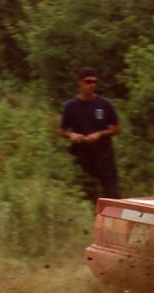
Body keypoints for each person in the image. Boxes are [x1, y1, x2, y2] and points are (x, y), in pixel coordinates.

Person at [60, 67, 122, 201]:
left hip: (103, 154)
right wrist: (72, 135)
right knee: (84, 193)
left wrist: (100, 134)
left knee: (111, 192)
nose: (92, 85)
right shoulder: (70, 106)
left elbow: (117, 128)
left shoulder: (104, 104)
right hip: (81, 155)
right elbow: (63, 130)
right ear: (80, 83)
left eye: (94, 82)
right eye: (88, 82)